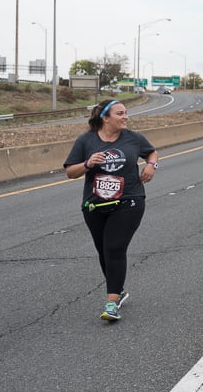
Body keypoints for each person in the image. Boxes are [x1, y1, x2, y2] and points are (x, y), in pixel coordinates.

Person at [63, 99, 159, 322]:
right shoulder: (86, 140)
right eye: (120, 114)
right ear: (105, 118)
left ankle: (112, 303)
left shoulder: (133, 138)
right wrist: (88, 163)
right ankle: (119, 289)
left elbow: (151, 152)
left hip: (129, 201)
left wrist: (151, 165)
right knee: (104, 251)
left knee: (115, 248)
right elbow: (70, 172)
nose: (125, 117)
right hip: (95, 205)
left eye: (126, 113)